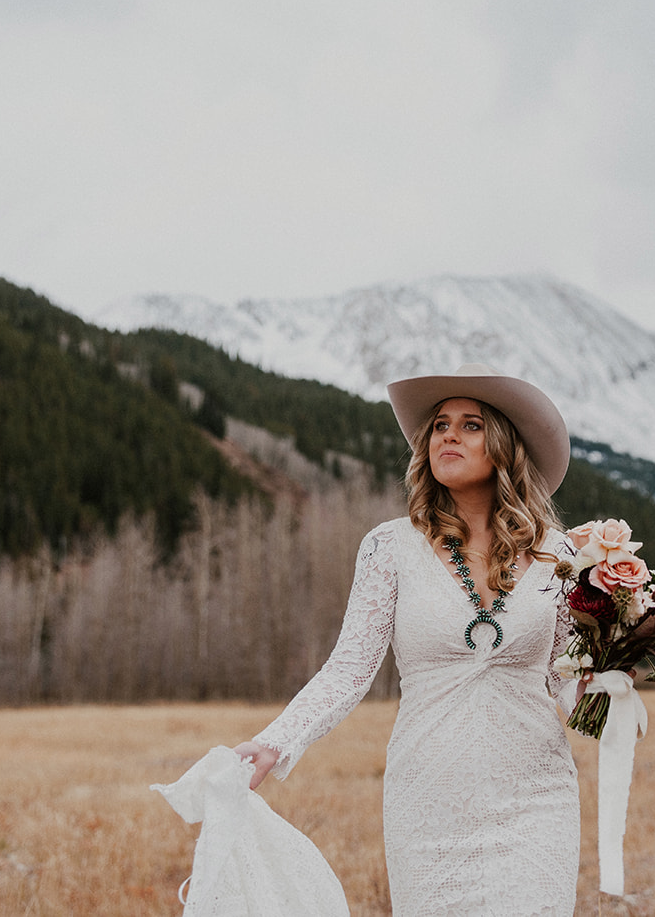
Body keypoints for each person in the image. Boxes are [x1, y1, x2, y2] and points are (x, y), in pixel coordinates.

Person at [233, 363, 581, 915]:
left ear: (505, 446)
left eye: (470, 425)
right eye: (440, 425)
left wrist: (616, 674)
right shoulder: (390, 549)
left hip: (535, 798)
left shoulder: (559, 556)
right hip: (428, 799)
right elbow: (349, 670)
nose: (448, 435)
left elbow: (567, 683)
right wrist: (276, 742)